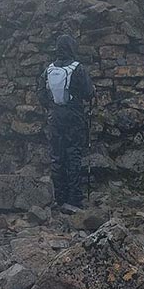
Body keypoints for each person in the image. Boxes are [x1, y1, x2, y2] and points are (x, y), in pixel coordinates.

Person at [37, 34, 94, 209]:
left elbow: (40, 93)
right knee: (74, 155)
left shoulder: (49, 69)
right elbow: (88, 93)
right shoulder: (78, 68)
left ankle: (59, 197)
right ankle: (74, 199)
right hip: (74, 116)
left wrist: (51, 107)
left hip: (55, 116)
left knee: (57, 156)